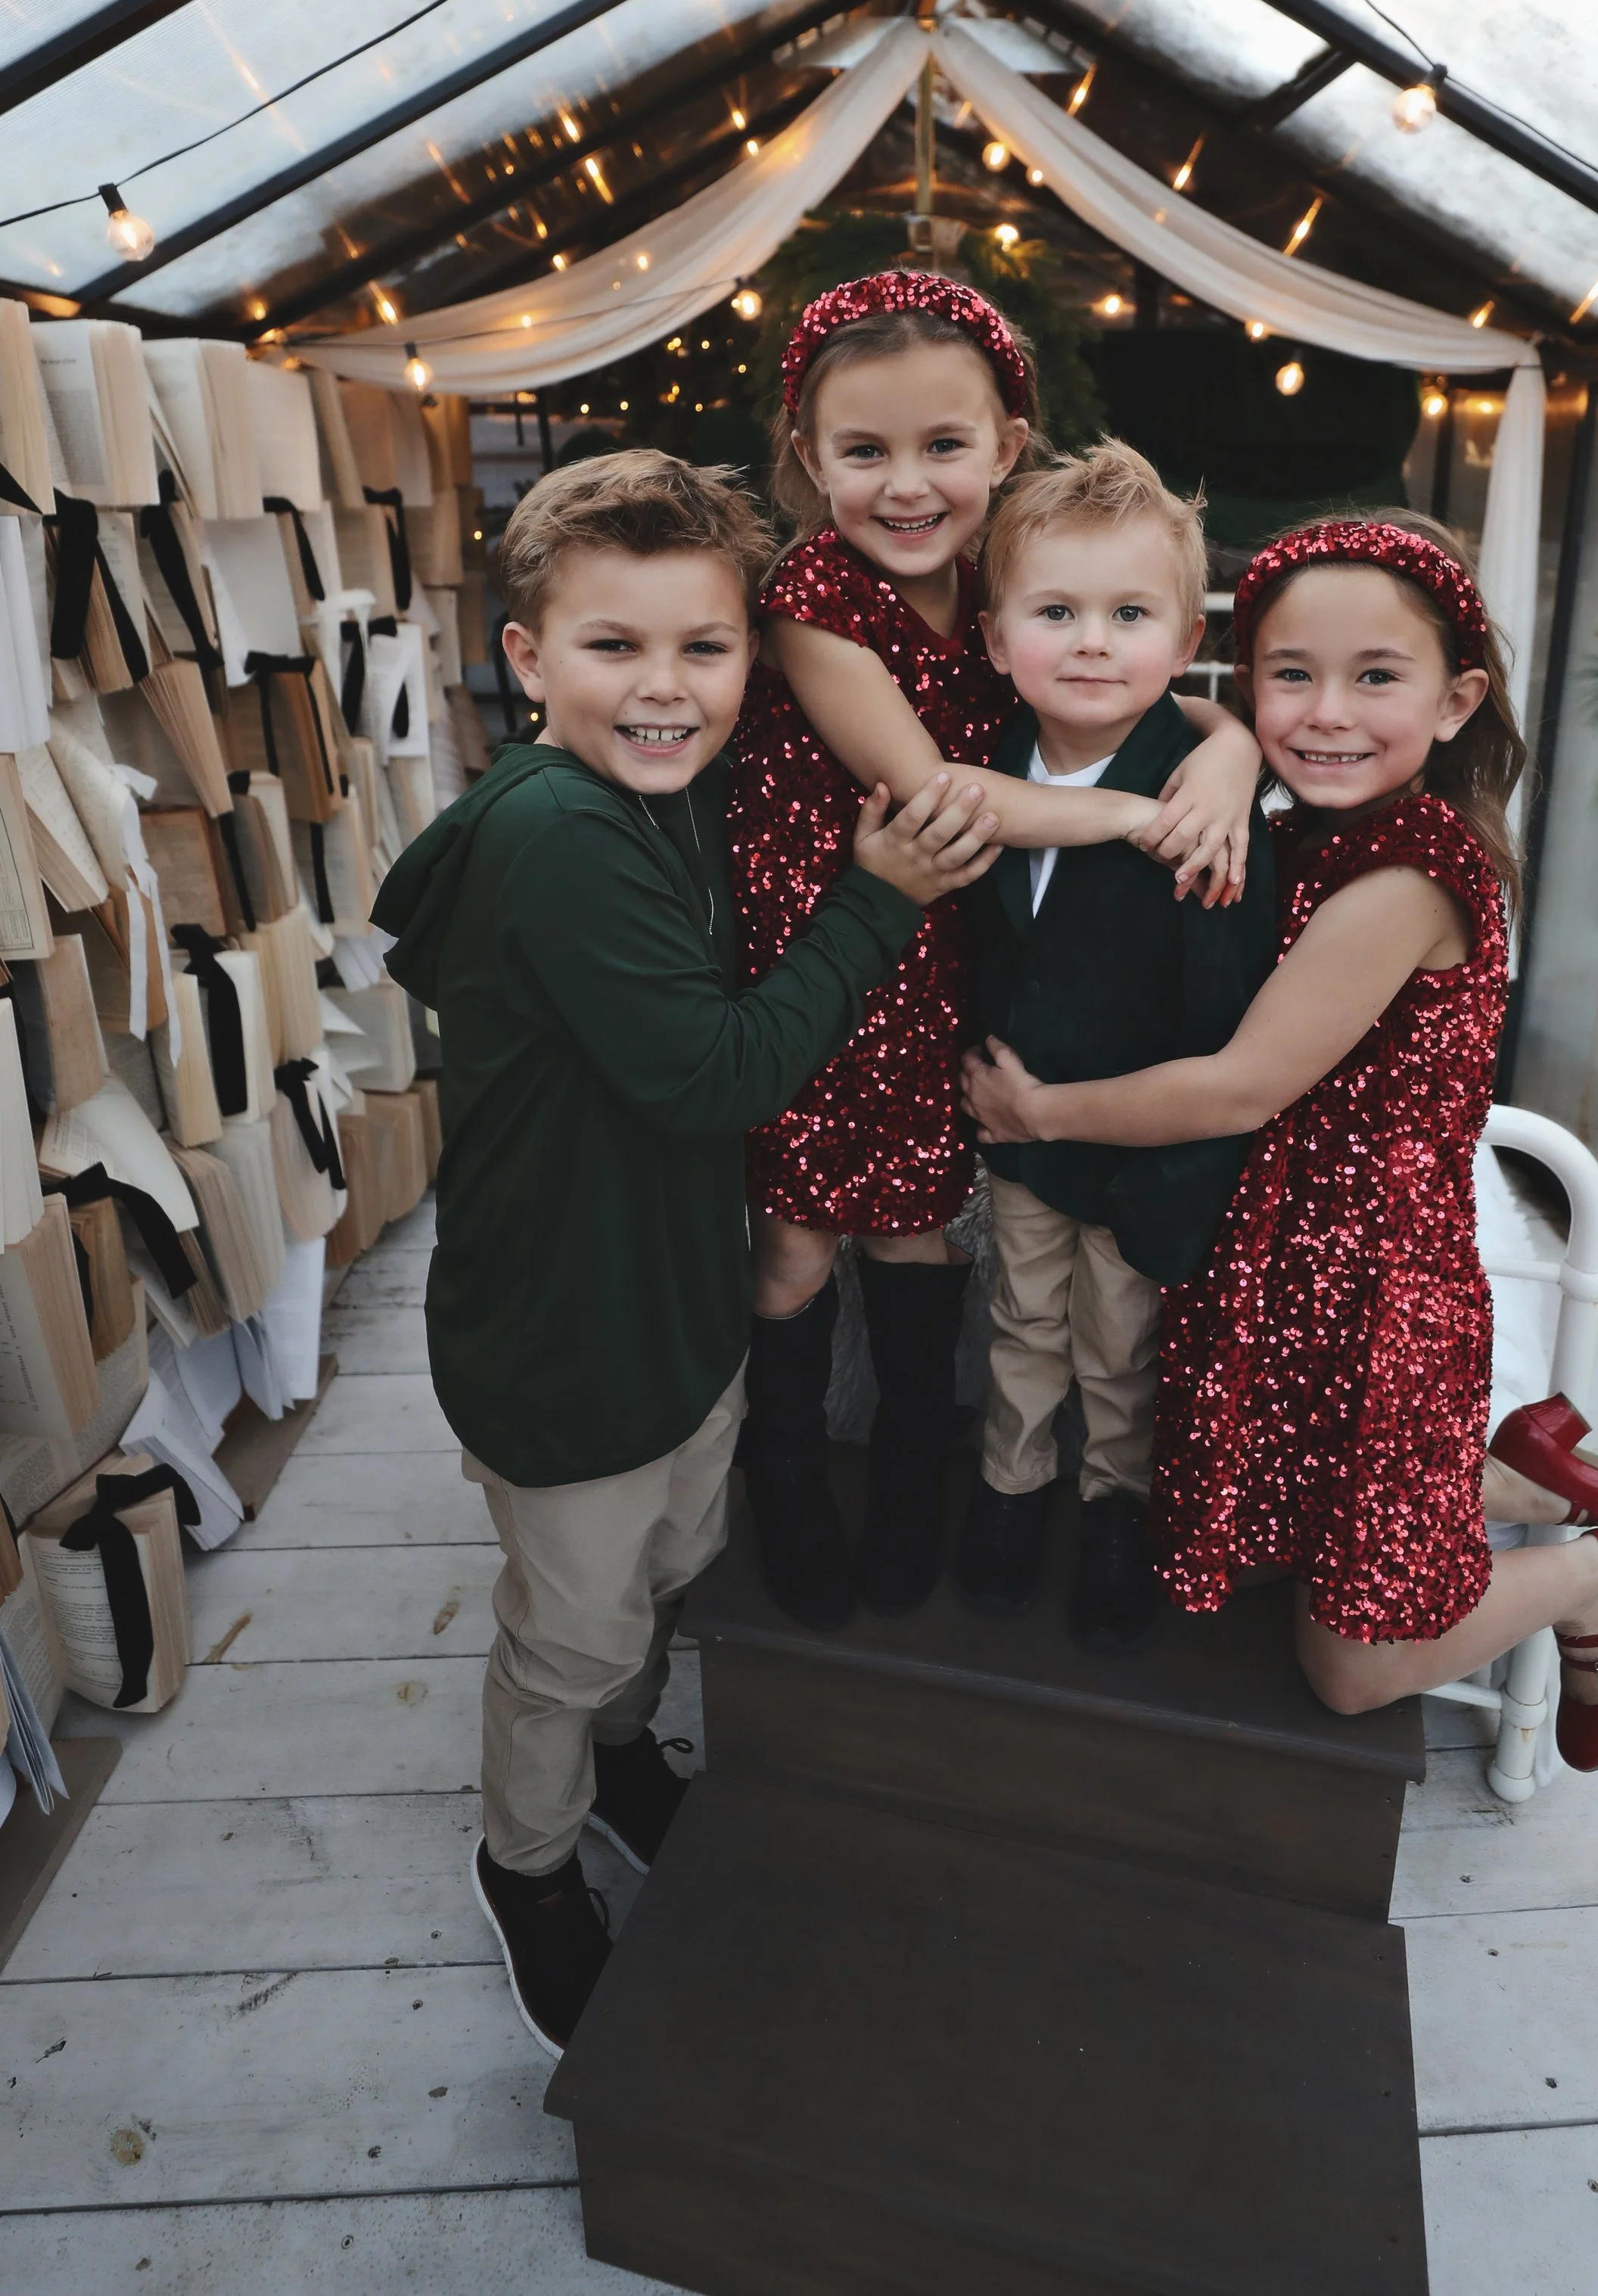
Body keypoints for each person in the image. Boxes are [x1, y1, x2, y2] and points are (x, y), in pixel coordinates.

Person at [374, 450, 1000, 2057]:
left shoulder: (682, 790)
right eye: (613, 649)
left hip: (674, 1297)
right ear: (523, 659)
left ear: (751, 658)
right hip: (564, 1332)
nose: (664, 690)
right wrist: (875, 908)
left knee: (661, 1571)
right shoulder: (563, 836)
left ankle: (627, 1757)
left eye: (702, 650)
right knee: (569, 1624)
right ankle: (524, 1862)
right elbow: (710, 1074)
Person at [965, 514, 1598, 1772]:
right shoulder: (1304, 826)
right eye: (1291, 676)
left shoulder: (1403, 877)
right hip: (1275, 1263)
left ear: (1457, 701)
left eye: (1376, 677)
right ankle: (1506, 1475)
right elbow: (1152, 714)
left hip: (1369, 1289)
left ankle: (1587, 1575)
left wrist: (1042, 1113)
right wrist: (1234, 745)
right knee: (1246, 1508)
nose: (1327, 712)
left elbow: (1243, 1087)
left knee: (1352, 1671)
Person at [726, 271, 1261, 1629]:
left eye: (942, 447)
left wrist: (1238, 744)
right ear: (808, 458)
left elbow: (1153, 678)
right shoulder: (812, 593)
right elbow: (939, 796)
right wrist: (1151, 810)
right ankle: (786, 1484)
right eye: (864, 452)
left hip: (939, 974)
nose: (906, 485)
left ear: (1007, 446)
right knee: (794, 1248)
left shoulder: (1006, 586)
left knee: (916, 1241)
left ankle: (918, 1487)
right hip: (821, 958)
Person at [955, 443, 1277, 1650]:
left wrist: (1185, 1173)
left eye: (1129, 614)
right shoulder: (984, 760)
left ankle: (1112, 1506)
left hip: (1137, 1142)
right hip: (1015, 1126)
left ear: (1188, 634)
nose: (1093, 641)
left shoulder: (1204, 801)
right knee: (1021, 1316)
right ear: (997, 639)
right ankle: (1011, 1485)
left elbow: (1220, 1013)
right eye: (1057, 612)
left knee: (1122, 1341)